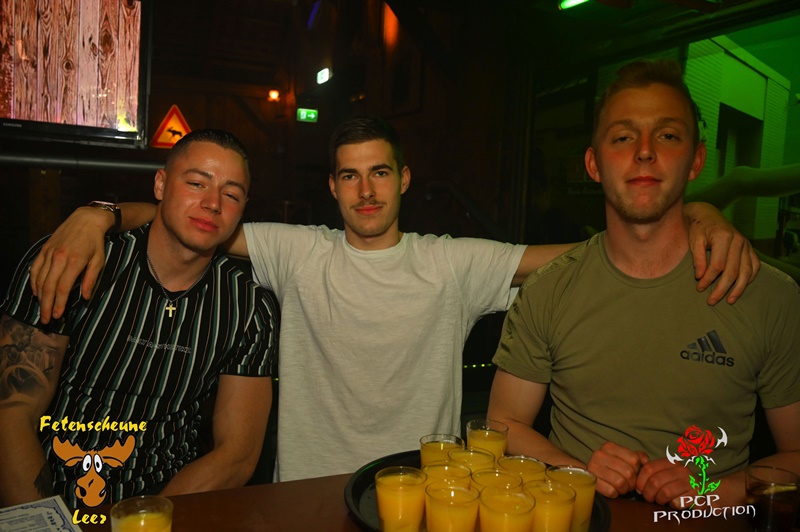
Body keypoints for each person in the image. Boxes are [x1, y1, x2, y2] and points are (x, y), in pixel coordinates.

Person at [27, 117, 758, 482]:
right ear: (333, 188)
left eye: (380, 172)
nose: (366, 190)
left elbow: (579, 256)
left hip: (424, 498)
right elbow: (192, 220)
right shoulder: (299, 250)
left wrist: (691, 214)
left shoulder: (449, 264)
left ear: (403, 180)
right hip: (305, 499)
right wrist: (99, 214)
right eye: (350, 176)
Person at [487, 60, 800, 509]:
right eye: (623, 137)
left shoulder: (768, 296)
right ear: (593, 164)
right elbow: (503, 426)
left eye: (667, 135)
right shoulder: (548, 290)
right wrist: (576, 472)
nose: (645, 151)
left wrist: (710, 490)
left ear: (696, 160)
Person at [0, 129, 280, 508]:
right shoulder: (75, 262)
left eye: (231, 194)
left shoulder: (249, 307)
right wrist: (47, 523)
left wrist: (145, 521)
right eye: (196, 183)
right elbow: (12, 411)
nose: (213, 203)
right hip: (52, 490)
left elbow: (237, 455)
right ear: (160, 185)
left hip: (170, 502)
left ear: (243, 208)